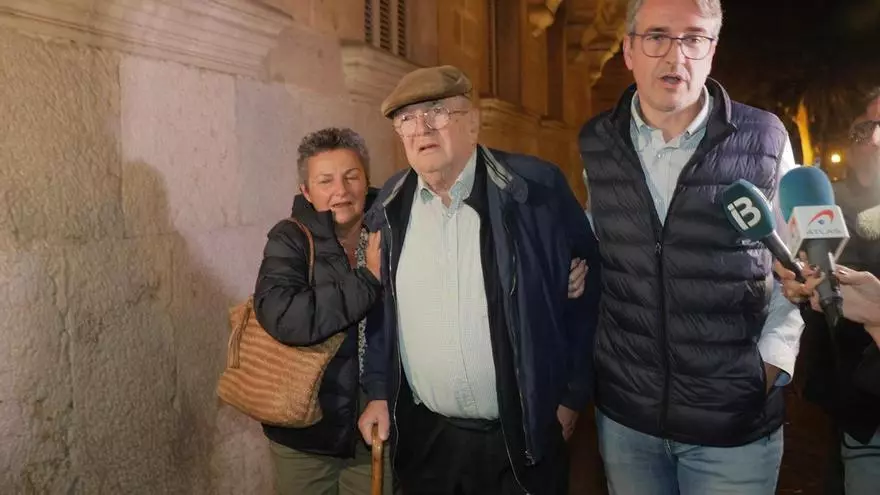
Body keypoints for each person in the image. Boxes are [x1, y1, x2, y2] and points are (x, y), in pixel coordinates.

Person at [577, 0, 805, 493]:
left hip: (733, 429)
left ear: (712, 49)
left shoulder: (766, 137)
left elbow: (796, 267)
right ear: (628, 51)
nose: (676, 56)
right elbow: (605, 253)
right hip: (628, 422)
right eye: (657, 36)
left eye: (694, 38)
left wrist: (769, 367)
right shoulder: (596, 141)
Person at [356, 65, 600, 495]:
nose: (421, 128)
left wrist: (571, 396)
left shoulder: (533, 189)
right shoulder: (390, 207)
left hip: (521, 435)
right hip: (428, 440)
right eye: (406, 119)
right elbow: (382, 313)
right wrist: (378, 391)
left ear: (473, 122)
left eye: (437, 111)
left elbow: (588, 294)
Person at [253, 127, 391, 495]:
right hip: (305, 430)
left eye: (351, 176)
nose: (341, 190)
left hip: (377, 421)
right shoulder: (290, 238)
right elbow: (285, 317)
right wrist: (367, 280)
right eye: (325, 180)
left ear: (366, 180)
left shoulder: (392, 231)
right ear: (306, 190)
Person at [774, 87, 880, 495]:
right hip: (855, 406)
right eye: (867, 128)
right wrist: (801, 292)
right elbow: (815, 289)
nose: (875, 139)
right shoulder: (825, 204)